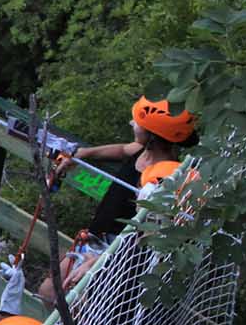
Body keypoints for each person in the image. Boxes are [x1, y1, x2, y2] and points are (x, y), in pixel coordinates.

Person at [37, 96, 198, 305]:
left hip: (118, 249)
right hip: (96, 236)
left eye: (138, 124)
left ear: (152, 136)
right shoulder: (141, 151)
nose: (133, 125)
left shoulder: (160, 177)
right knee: (48, 291)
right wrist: (83, 153)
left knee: (81, 305)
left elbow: (146, 232)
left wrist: (100, 260)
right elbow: (122, 150)